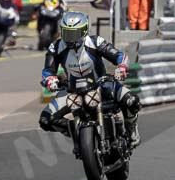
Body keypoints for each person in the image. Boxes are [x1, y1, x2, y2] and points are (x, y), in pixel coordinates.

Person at [38, 11, 141, 148]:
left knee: (131, 101)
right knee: (45, 119)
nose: (70, 38)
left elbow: (119, 55)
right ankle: (76, 132)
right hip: (72, 90)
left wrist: (121, 67)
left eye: (74, 34)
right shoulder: (56, 47)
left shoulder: (95, 42)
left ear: (84, 31)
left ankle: (131, 129)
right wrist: (50, 79)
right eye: (67, 33)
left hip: (102, 85)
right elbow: (47, 70)